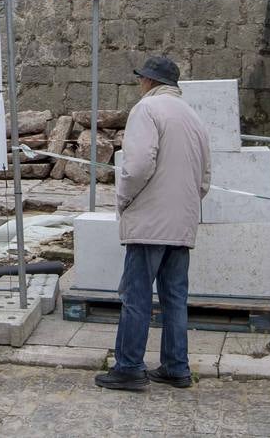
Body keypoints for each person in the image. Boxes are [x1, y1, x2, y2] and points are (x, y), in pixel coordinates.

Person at [95, 55, 212, 392]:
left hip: (149, 220)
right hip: (182, 222)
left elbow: (138, 165)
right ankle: (177, 367)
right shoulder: (194, 118)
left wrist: (124, 199)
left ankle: (129, 366)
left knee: (136, 295)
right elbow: (204, 179)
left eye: (141, 79)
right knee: (175, 297)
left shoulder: (146, 110)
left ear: (148, 81)